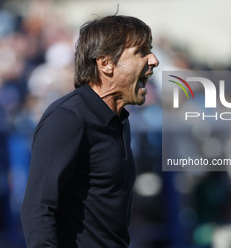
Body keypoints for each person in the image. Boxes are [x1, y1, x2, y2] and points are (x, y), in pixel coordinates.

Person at [20, 15, 159, 248]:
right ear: (106, 63)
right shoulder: (68, 119)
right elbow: (37, 207)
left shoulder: (119, 120)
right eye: (141, 52)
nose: (154, 60)